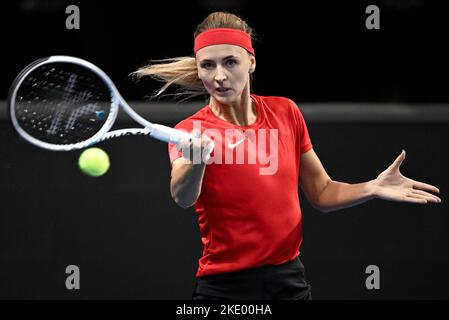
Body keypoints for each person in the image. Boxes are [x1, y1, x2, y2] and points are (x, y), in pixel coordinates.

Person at [135, 12, 442, 300]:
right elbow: (183, 196)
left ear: (251, 62)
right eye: (207, 65)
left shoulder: (285, 111)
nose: (219, 76)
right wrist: (197, 160)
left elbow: (321, 192)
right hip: (224, 288)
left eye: (230, 62)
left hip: (290, 282)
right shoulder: (191, 130)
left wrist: (371, 187)